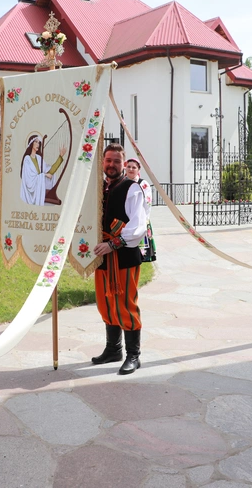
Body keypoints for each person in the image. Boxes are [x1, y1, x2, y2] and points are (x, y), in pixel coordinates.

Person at [92, 144, 147, 374]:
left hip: (123, 256)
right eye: (108, 160)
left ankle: (134, 355)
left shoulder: (131, 189)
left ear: (124, 164)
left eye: (116, 161)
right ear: (102, 163)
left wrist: (113, 243)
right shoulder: (98, 188)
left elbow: (138, 226)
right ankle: (114, 349)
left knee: (125, 304)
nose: (111, 165)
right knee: (105, 303)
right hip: (102, 257)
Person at [124, 156, 156, 262]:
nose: (131, 169)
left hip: (140, 217)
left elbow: (147, 203)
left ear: (138, 170)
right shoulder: (121, 182)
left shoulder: (143, 184)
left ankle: (142, 256)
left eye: (134, 167)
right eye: (128, 167)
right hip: (124, 218)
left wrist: (144, 219)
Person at [19, 134, 65, 206]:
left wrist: (60, 157)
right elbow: (29, 180)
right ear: (31, 144)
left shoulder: (39, 158)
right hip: (30, 191)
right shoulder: (27, 159)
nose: (38, 144)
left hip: (38, 188)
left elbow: (50, 171)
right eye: (36, 142)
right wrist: (44, 175)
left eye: (39, 142)